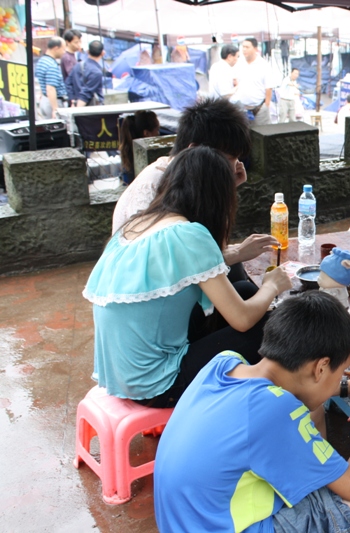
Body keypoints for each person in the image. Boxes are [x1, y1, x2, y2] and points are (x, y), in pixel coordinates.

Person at [154, 291, 350, 532]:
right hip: (227, 527)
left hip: (190, 521)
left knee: (313, 429)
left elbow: (289, 390)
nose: (341, 378)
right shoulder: (275, 411)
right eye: (342, 371)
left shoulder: (223, 364)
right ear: (321, 367)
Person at [83, 146, 292, 407]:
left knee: (245, 292)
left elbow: (197, 268)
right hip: (159, 386)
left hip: (123, 377)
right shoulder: (189, 234)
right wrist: (272, 286)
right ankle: (269, 403)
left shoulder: (139, 224)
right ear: (216, 197)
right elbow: (242, 320)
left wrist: (246, 268)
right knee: (275, 324)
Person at [113, 98, 276, 275]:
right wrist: (237, 253)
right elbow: (167, 270)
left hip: (172, 277)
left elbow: (211, 246)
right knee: (244, 286)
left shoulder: (190, 179)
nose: (235, 166)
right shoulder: (156, 184)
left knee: (238, 273)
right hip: (147, 286)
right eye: (230, 158)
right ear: (195, 150)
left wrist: (225, 192)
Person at [231, 37, 280, 127]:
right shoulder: (239, 63)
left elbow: (269, 87)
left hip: (259, 109)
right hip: (242, 108)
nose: (244, 49)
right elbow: (236, 81)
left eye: (247, 47)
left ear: (255, 49)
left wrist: (266, 105)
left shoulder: (263, 65)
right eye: (243, 47)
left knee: (262, 135)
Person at [118, 110, 160, 185]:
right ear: (146, 133)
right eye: (157, 130)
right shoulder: (149, 159)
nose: (158, 134)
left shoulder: (129, 153)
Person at [35, 37, 68, 119]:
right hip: (53, 101)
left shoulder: (42, 61)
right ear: (56, 48)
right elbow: (50, 88)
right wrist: (55, 109)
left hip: (45, 100)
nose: (64, 52)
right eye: (63, 49)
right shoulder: (51, 65)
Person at [66, 40, 104, 107]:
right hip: (90, 109)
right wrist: (78, 109)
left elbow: (68, 83)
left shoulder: (78, 65)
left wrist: (72, 101)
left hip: (75, 104)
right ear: (103, 53)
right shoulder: (97, 73)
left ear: (88, 52)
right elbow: (86, 93)